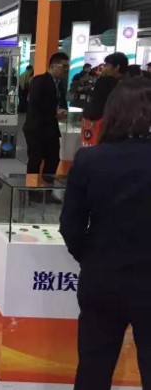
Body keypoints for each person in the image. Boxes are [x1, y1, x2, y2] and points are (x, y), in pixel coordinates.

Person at [60, 77, 151, 390]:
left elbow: (70, 225)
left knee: (93, 368)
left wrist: (91, 256)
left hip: (102, 277)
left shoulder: (90, 159)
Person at [23, 52, 70, 176]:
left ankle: (46, 185)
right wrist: (54, 113)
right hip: (36, 129)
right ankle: (31, 186)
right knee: (35, 161)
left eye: (67, 67)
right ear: (53, 65)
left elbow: (60, 101)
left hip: (50, 128)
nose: (66, 70)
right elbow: (35, 104)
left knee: (53, 160)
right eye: (64, 66)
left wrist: (62, 110)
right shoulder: (40, 81)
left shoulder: (59, 84)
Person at [81, 52, 128, 147]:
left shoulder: (104, 82)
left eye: (107, 65)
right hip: (125, 131)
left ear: (117, 67)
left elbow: (97, 107)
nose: (104, 68)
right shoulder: (131, 84)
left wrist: (86, 112)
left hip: (105, 129)